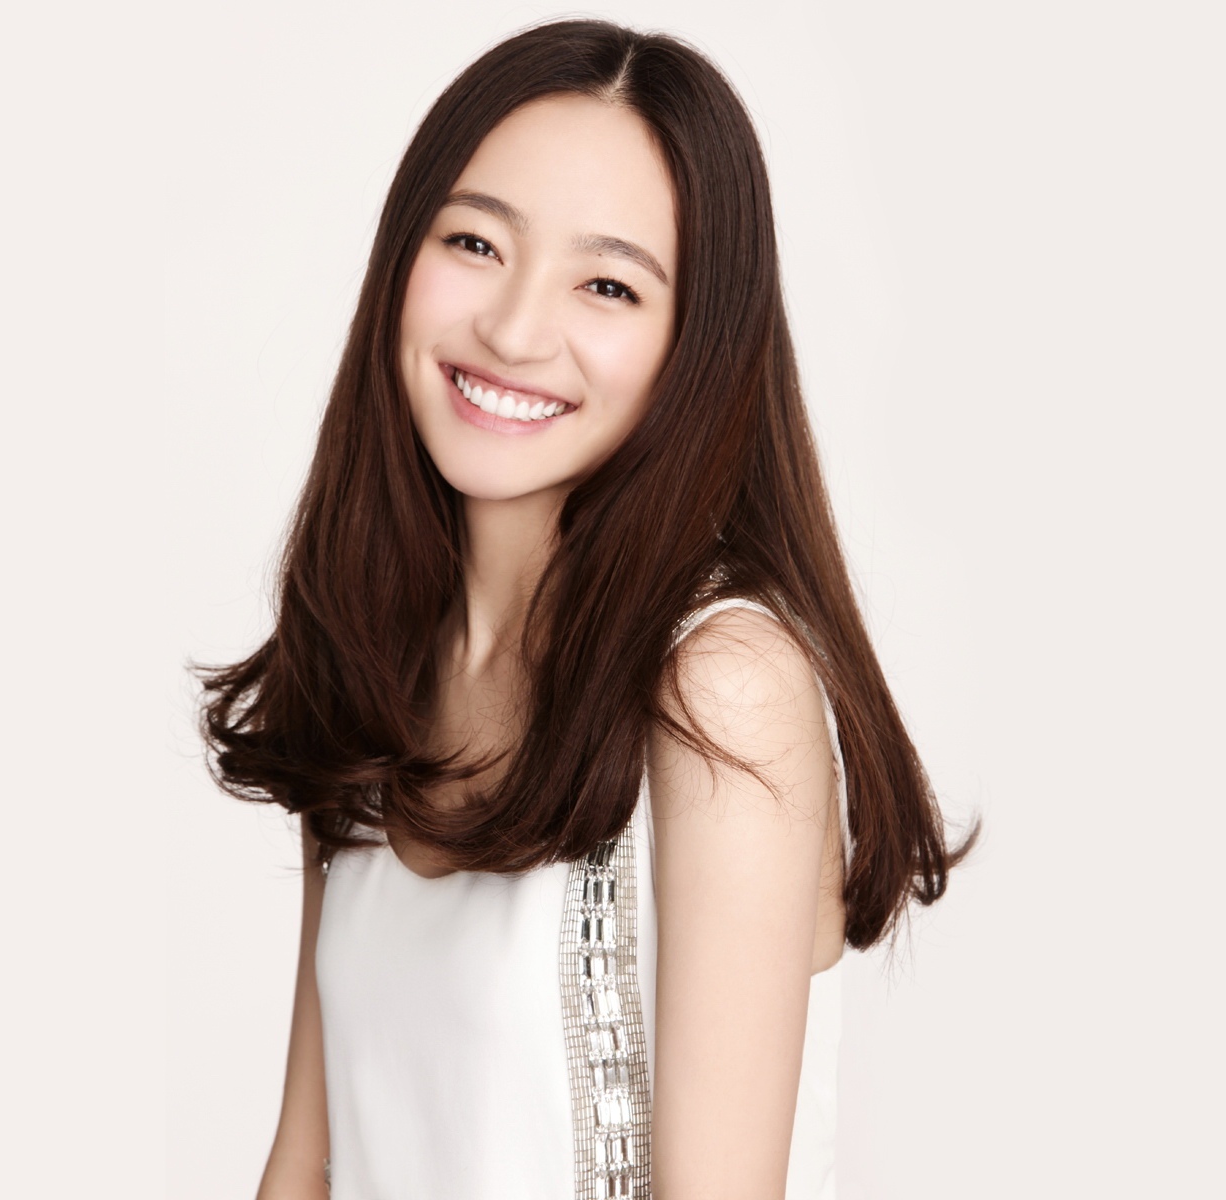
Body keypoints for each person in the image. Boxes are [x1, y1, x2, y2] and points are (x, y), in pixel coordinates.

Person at [199, 19, 970, 1200]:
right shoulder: (377, 653)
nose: (512, 330)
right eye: (474, 242)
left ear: (695, 345)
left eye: (607, 284)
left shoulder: (720, 686)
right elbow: (306, 1161)